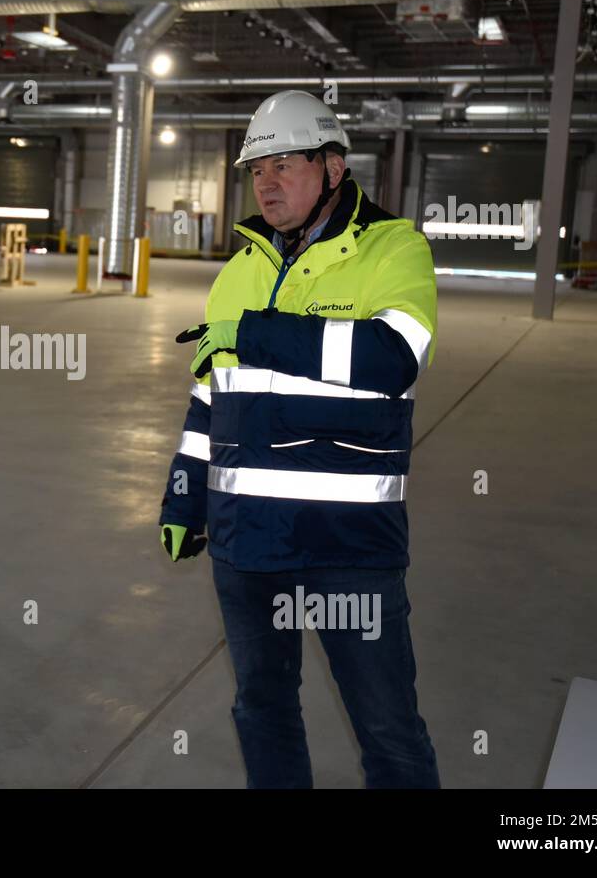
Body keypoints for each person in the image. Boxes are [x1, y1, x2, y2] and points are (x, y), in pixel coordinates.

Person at [159, 90, 440, 788]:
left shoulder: (391, 248)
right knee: (263, 707)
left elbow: (393, 356)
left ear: (334, 167)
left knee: (388, 728)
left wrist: (255, 332)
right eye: (258, 169)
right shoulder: (241, 270)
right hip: (248, 545)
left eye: (286, 163)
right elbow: (209, 399)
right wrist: (182, 497)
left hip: (350, 547)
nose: (269, 182)